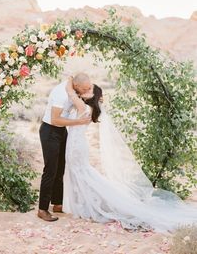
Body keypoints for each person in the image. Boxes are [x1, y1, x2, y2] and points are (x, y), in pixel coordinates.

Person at [63, 77, 197, 232]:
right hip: (75, 145)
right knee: (78, 173)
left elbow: (70, 92)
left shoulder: (84, 109)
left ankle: (89, 205)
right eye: (86, 89)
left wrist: (71, 79)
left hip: (76, 147)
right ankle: (83, 204)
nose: (85, 92)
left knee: (82, 173)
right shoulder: (85, 107)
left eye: (89, 90)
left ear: (93, 96)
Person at [37, 73, 92, 221]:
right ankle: (42, 209)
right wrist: (78, 123)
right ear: (77, 86)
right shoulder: (62, 94)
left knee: (60, 168)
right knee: (50, 169)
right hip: (50, 131)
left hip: (61, 130)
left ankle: (57, 203)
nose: (87, 91)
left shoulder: (72, 89)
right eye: (85, 88)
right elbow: (55, 119)